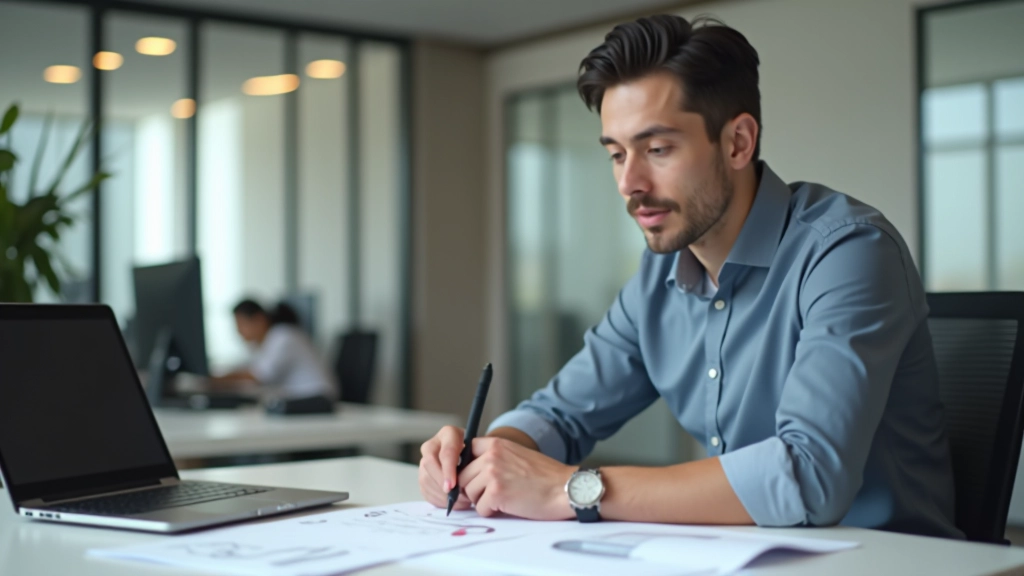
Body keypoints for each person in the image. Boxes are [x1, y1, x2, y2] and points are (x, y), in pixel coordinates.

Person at [419, 14, 960, 538]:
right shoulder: (659, 274)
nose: (629, 182)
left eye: (657, 149)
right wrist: (490, 459)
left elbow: (808, 475)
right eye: (616, 154)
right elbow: (561, 415)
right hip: (740, 554)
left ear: (738, 142)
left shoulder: (847, 252)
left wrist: (573, 489)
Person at [216, 299, 338, 401]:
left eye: (241, 324)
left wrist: (217, 380)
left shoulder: (283, 336)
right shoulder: (262, 343)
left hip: (317, 398)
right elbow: (249, 368)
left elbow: (258, 377)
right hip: (298, 399)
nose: (238, 331)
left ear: (259, 319)